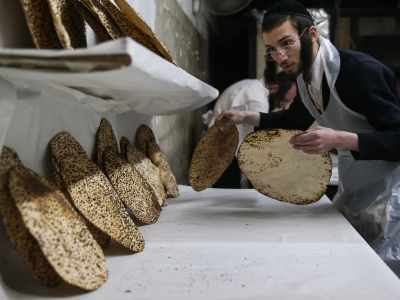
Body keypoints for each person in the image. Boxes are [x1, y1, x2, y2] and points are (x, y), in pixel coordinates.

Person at [215, 0, 400, 276]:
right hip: (356, 190)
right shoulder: (305, 80)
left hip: (390, 197)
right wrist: (246, 118)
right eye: (271, 50)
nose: (279, 56)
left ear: (311, 34)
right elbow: (291, 122)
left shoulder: (359, 72)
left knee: (382, 279)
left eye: (286, 43)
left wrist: (338, 138)